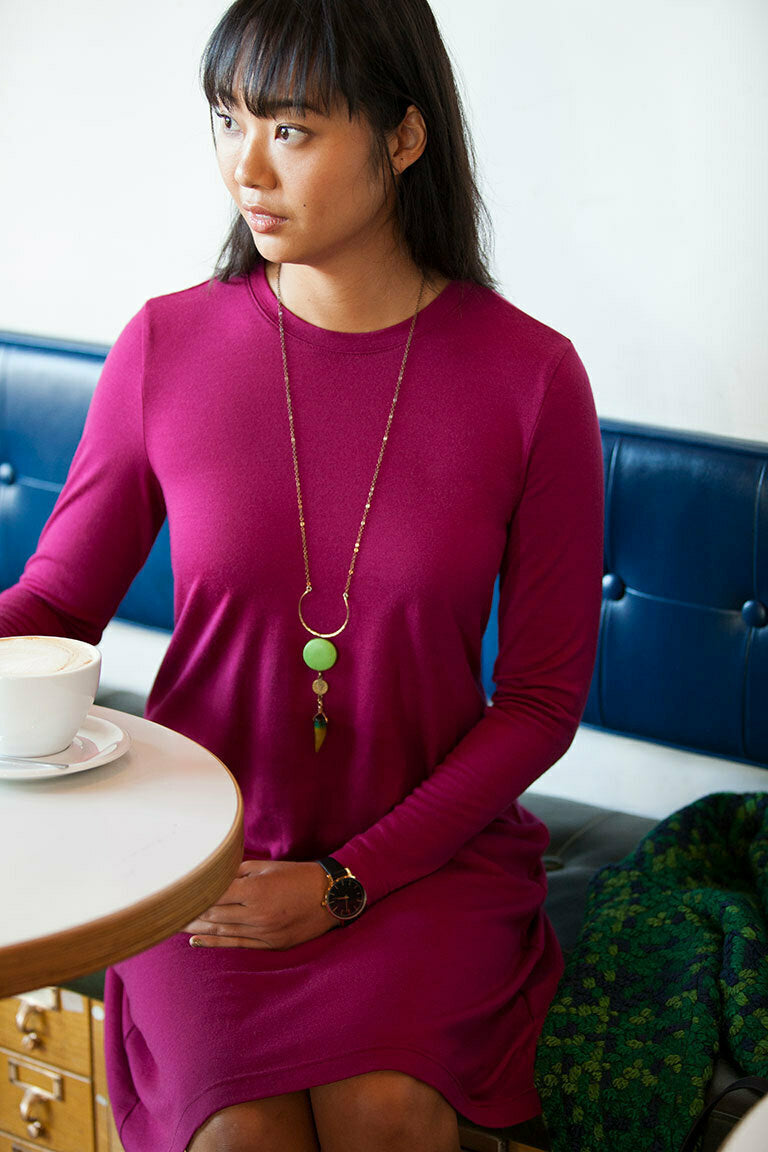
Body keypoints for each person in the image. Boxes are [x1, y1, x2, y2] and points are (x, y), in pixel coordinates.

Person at [0, 0, 604, 1148]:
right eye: (227, 120)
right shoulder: (166, 346)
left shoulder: (533, 378)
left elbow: (538, 703)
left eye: (290, 128)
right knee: (244, 1139)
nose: (244, 165)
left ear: (404, 138)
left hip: (426, 867)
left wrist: (346, 882)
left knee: (388, 1115)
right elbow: (52, 605)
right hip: (205, 858)